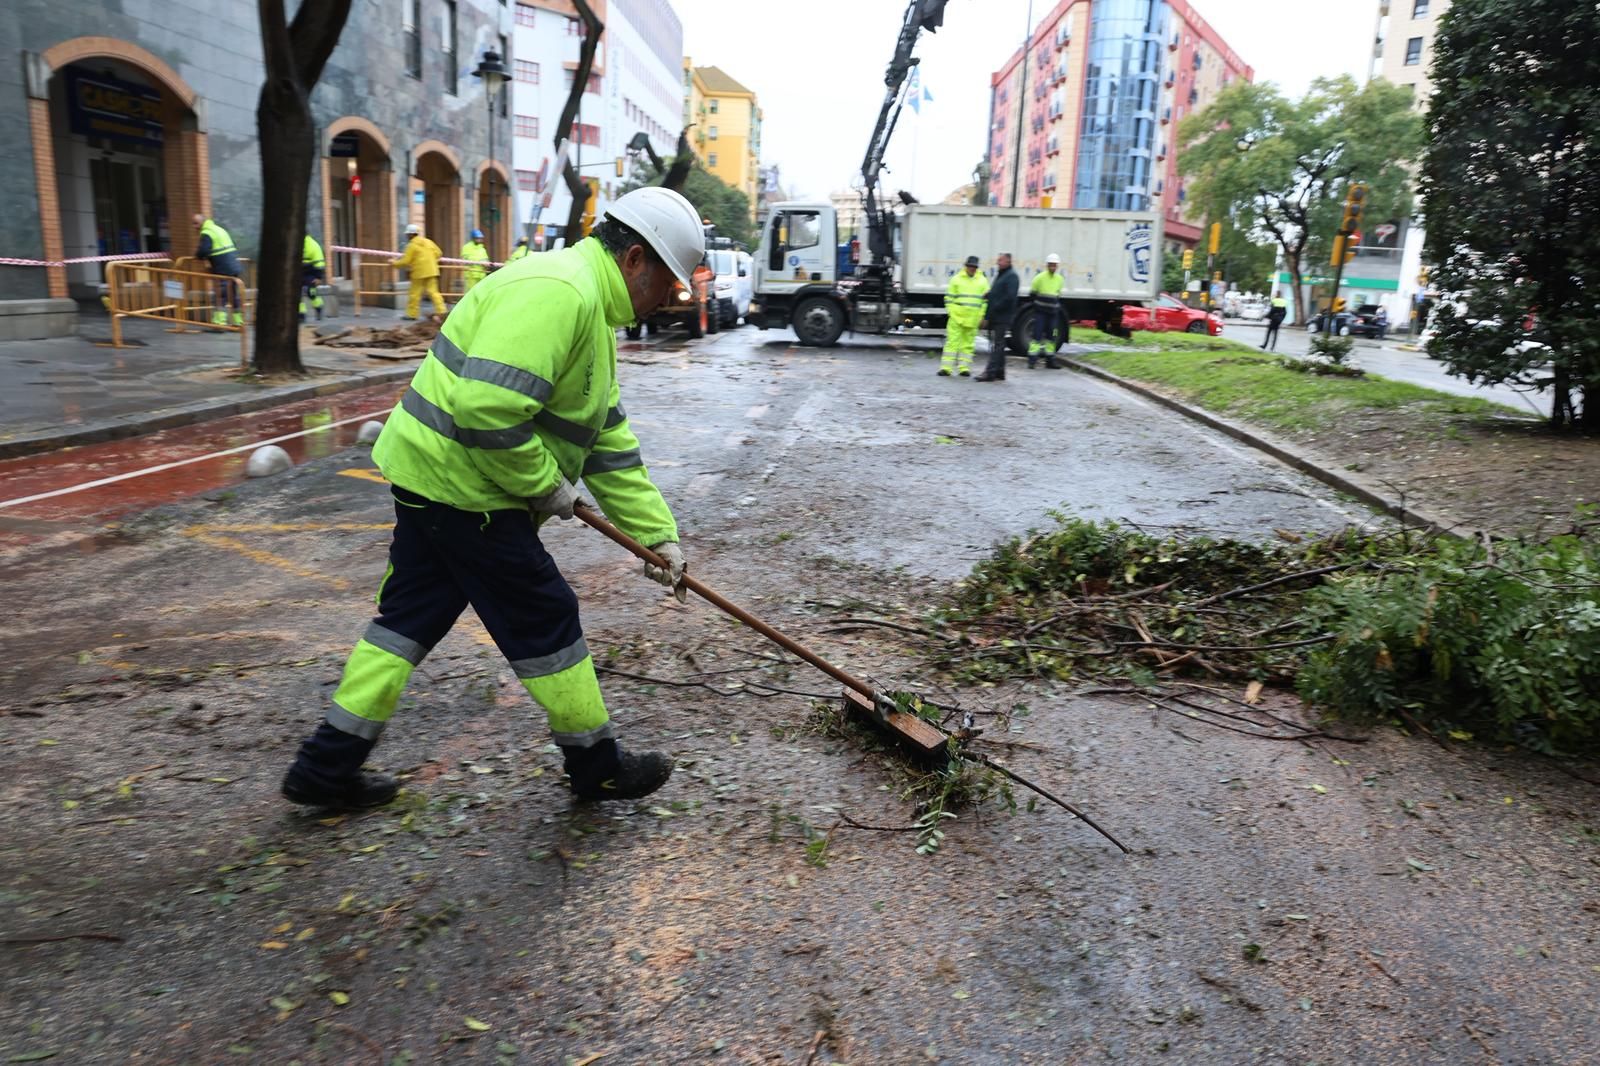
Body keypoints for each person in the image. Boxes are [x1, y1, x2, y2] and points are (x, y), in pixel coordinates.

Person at [279, 185, 706, 810]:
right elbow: (486, 412)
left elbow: (607, 443)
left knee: (405, 623)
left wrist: (656, 535)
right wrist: (546, 488)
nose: (673, 296)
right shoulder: (560, 294)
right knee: (545, 615)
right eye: (670, 280)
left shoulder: (590, 308)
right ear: (635, 259)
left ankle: (324, 767)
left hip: (441, 483)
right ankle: (596, 765)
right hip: (467, 491)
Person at [192, 213, 243, 328]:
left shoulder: (207, 232)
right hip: (233, 266)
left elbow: (204, 251)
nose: (194, 226)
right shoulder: (219, 229)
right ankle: (238, 321)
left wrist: (198, 256)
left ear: (203, 222)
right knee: (233, 295)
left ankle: (220, 323)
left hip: (222, 268)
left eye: (196, 223)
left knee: (221, 296)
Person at [941, 255, 988, 377]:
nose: (972, 268)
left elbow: (985, 302)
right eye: (970, 266)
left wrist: (982, 316)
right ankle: (946, 368)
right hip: (957, 317)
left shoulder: (982, 281)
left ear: (976, 268)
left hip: (973, 319)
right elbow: (948, 298)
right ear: (966, 266)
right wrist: (951, 312)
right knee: (952, 343)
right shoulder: (956, 279)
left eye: (974, 267)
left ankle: (964, 368)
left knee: (968, 345)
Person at [975, 252, 1018, 382]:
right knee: (999, 343)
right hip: (998, 315)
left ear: (1008, 262)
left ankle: (990, 372)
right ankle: (1000, 372)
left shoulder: (1011, 276)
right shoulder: (1003, 274)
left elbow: (1010, 297)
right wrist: (990, 294)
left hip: (1002, 316)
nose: (998, 262)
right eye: (998, 260)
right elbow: (999, 292)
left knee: (998, 344)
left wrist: (995, 305)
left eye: (1000, 260)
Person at [395, 223, 444, 320]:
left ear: (410, 234)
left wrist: (393, 263)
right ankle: (442, 312)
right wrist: (430, 261)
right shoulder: (428, 242)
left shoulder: (411, 246)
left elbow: (405, 261)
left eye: (407, 234)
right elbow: (439, 253)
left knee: (415, 294)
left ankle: (412, 314)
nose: (406, 236)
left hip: (419, 273)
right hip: (432, 271)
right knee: (434, 293)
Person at [1027, 252, 1065, 369]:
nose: (1053, 267)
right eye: (1051, 265)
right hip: (1041, 313)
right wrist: (1038, 306)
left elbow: (1058, 296)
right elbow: (1032, 294)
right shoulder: (1039, 278)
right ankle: (1032, 360)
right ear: (1047, 265)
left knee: (1052, 337)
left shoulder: (1059, 279)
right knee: (1037, 336)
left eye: (1055, 265)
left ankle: (1050, 360)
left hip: (1053, 314)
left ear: (1057, 266)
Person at [300, 234, 326, 322]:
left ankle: (318, 307)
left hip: (311, 273)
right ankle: (301, 315)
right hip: (298, 272)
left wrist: (319, 278)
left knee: (311, 292)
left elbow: (320, 264)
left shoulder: (313, 246)